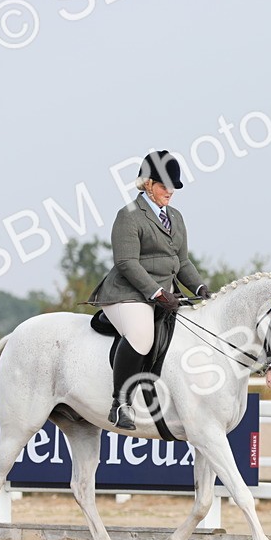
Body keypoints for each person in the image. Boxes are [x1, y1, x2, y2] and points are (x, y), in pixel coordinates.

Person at [88, 150, 212, 429]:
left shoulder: (176, 217)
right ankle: (121, 404)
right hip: (127, 293)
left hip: (163, 295)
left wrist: (201, 287)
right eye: (163, 185)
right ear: (147, 184)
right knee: (142, 336)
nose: (170, 191)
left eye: (173, 186)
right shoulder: (129, 215)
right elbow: (126, 262)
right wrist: (157, 292)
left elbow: (182, 261)